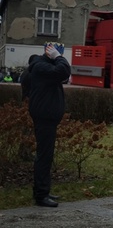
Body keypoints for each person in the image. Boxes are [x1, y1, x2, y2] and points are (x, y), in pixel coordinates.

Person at [26, 43, 71, 208]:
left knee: (46, 155)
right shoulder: (41, 66)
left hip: (47, 116)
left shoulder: (41, 67)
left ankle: (42, 190)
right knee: (44, 156)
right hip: (45, 116)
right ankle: (41, 195)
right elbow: (64, 70)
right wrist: (58, 58)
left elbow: (62, 74)